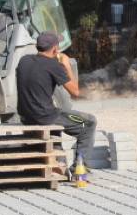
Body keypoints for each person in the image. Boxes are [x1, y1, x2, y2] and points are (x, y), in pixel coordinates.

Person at [16, 31, 97, 176]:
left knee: (56, 123)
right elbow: (75, 92)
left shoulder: (24, 61)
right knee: (89, 123)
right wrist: (66, 65)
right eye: (58, 45)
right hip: (46, 116)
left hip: (26, 116)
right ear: (55, 49)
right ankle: (80, 168)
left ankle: (59, 165)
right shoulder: (53, 65)